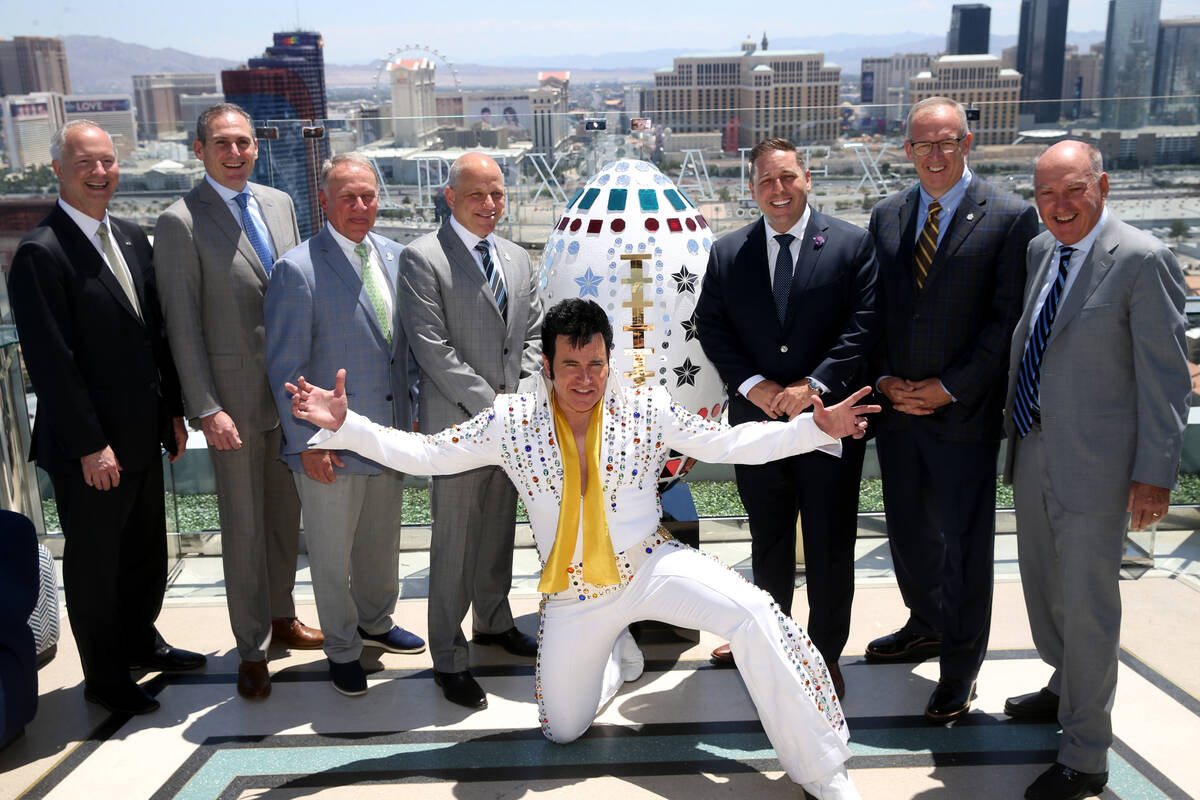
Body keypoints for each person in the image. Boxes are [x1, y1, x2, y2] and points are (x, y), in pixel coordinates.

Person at [288, 298, 877, 800]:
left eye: (596, 363)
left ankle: (823, 768)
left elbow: (728, 441)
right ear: (546, 365)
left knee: (752, 613)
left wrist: (812, 431)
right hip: (573, 592)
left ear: (609, 360)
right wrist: (349, 426)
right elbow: (428, 455)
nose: (585, 379)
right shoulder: (511, 419)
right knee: (561, 729)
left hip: (651, 564)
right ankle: (618, 660)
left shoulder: (645, 407)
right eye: (570, 365)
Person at [1001, 140, 1188, 800]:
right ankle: (1062, 686)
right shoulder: (1040, 250)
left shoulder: (1142, 258)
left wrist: (1154, 475)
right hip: (1032, 450)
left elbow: (1166, 380)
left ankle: (1085, 752)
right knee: (1044, 589)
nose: (1059, 206)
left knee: (1088, 608)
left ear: (1101, 186)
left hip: (1099, 469)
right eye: (1046, 194)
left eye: (1073, 190)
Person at [7, 121, 202, 716]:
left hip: (143, 434)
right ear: (59, 172)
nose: (99, 173)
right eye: (85, 163)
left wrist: (171, 412)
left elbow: (156, 336)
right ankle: (105, 676)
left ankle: (141, 640)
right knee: (96, 565)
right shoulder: (40, 253)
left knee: (146, 550)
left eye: (108, 162)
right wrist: (92, 445)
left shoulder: (133, 237)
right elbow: (52, 363)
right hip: (89, 448)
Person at [864, 96, 1039, 723]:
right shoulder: (887, 213)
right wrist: (885, 379)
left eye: (946, 143)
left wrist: (949, 387)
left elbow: (1007, 320)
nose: (934, 155)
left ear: (968, 143)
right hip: (898, 411)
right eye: (921, 145)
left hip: (962, 416)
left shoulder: (1012, 216)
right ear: (906, 150)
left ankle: (960, 670)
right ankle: (926, 623)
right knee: (908, 532)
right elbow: (877, 311)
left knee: (964, 548)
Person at [695, 137, 879, 697]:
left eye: (788, 178)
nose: (778, 190)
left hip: (828, 422)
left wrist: (812, 386)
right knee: (768, 546)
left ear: (807, 178)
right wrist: (758, 387)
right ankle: (772, 649)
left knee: (829, 546)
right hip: (759, 426)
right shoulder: (729, 252)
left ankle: (825, 659)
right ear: (752, 189)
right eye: (766, 181)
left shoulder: (851, 245)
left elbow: (864, 324)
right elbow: (712, 326)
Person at [154, 103, 321, 701]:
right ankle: (251, 647)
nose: (234, 153)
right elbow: (181, 325)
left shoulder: (279, 204)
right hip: (231, 407)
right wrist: (205, 407)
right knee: (245, 526)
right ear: (198, 150)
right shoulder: (180, 222)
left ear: (256, 147)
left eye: (244, 143)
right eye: (221, 143)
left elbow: (299, 294)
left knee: (283, 519)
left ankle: (281, 618)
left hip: (289, 399)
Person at [264, 154, 424, 696]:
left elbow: (404, 353)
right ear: (324, 203)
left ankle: (376, 622)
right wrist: (307, 444)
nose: (360, 206)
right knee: (331, 554)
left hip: (387, 437)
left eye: (369, 196)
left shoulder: (399, 258)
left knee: (381, 544)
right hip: (328, 443)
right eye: (348, 197)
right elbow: (285, 367)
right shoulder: (298, 269)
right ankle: (342, 648)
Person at [397, 152, 544, 710]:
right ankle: (448, 657)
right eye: (477, 195)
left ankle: (493, 620)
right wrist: (496, 410)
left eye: (498, 194)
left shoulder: (516, 256)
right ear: (450, 197)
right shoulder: (422, 258)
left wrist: (523, 398)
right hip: (459, 428)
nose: (490, 205)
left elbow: (532, 335)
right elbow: (433, 350)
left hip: (511, 426)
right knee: (454, 544)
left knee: (497, 533)